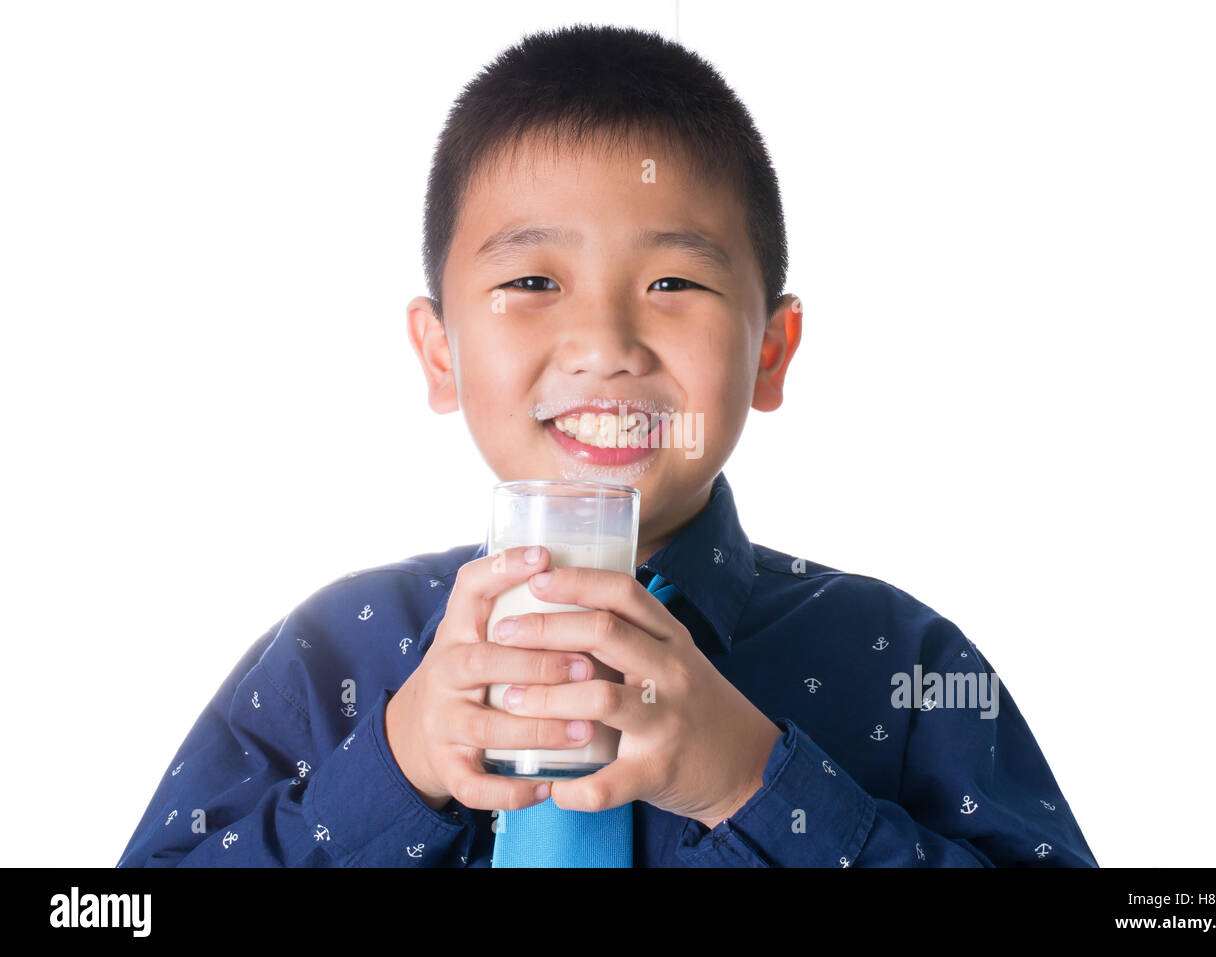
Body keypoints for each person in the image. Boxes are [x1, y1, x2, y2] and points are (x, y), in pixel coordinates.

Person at [118, 24, 1097, 868]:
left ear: (769, 351)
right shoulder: (335, 651)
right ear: (439, 352)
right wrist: (396, 765)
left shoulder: (902, 663)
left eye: (674, 284)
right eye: (533, 283)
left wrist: (754, 783)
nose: (602, 346)